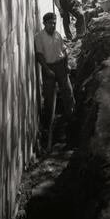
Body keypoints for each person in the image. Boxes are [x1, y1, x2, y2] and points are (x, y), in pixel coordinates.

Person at [35, 13, 75, 146]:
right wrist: (46, 70)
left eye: (54, 22)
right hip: (49, 69)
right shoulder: (39, 37)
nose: (52, 25)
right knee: (49, 99)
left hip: (61, 67)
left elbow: (65, 51)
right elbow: (39, 55)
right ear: (44, 23)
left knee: (68, 93)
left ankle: (71, 121)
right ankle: (49, 130)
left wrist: (67, 65)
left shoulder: (58, 35)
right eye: (50, 23)